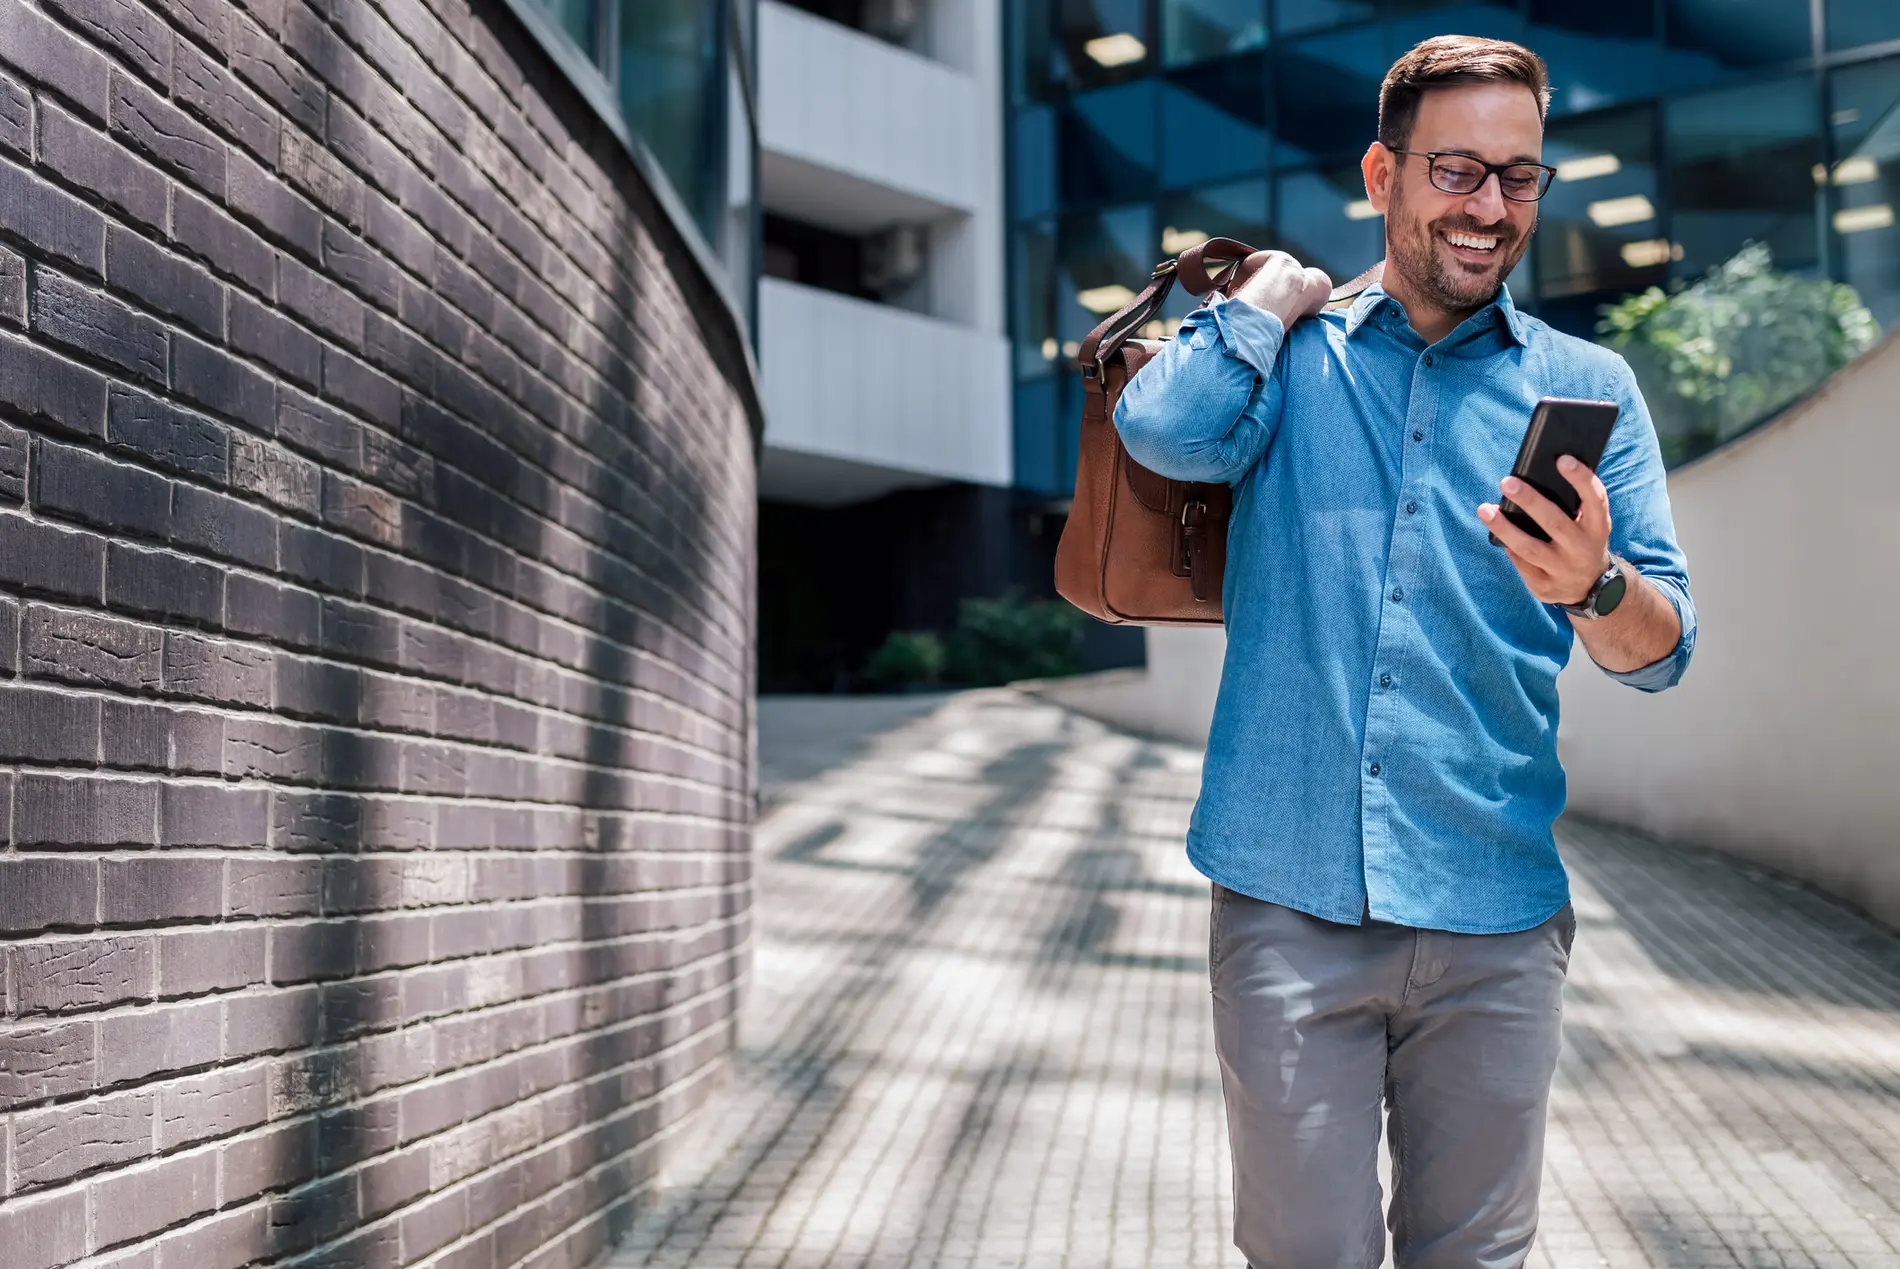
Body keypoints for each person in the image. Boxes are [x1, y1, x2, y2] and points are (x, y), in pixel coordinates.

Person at [1113, 34, 1697, 1269]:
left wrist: (1590, 582)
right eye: (1457, 172)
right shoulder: (1292, 360)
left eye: (1520, 177)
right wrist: (1263, 303)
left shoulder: (1585, 387)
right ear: (1381, 175)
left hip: (1494, 916)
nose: (1490, 208)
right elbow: (1162, 433)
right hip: (1288, 898)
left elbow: (1661, 655)